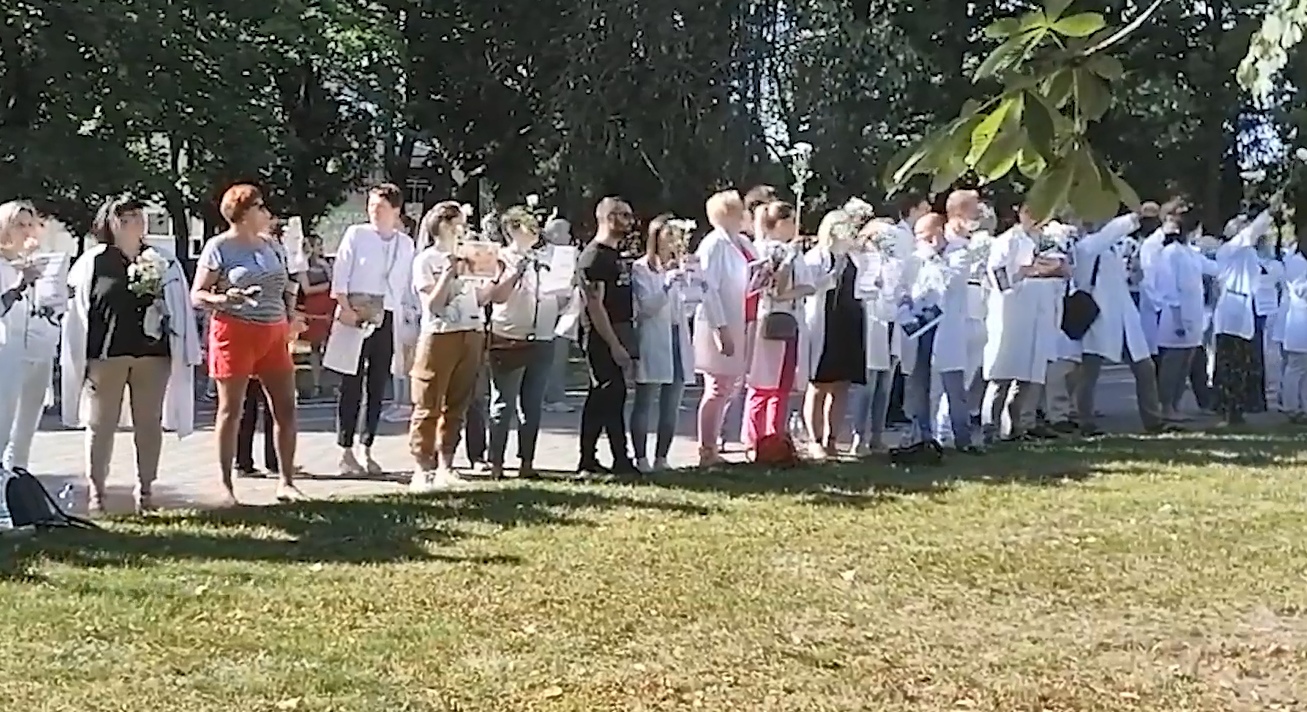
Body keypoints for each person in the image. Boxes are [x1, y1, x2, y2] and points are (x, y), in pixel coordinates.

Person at [63, 195, 201, 512]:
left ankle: (146, 488)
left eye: (140, 216)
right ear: (112, 223)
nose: (137, 222)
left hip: (152, 353)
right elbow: (78, 310)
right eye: (128, 217)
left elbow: (179, 305)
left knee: (149, 423)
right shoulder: (93, 262)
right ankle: (97, 490)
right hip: (107, 354)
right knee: (101, 423)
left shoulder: (162, 260)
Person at [191, 184, 303, 506]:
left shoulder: (272, 246)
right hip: (235, 332)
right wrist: (224, 299)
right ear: (242, 214)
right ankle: (226, 486)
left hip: (274, 333)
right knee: (231, 410)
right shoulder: (219, 247)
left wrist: (291, 317)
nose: (266, 212)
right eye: (259, 207)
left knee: (286, 408)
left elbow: (286, 285)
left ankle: (286, 482)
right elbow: (197, 294)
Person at [408, 201, 495, 491]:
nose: (463, 229)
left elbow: (480, 298)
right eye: (458, 223)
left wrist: (500, 275)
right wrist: (448, 273)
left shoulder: (469, 254)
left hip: (471, 331)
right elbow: (433, 304)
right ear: (443, 225)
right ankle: (422, 468)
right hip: (440, 334)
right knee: (428, 401)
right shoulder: (426, 260)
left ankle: (447, 465)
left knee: (458, 403)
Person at [330, 184, 416, 475]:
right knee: (350, 380)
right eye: (371, 207)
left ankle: (367, 446)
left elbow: (405, 285)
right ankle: (345, 449)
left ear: (396, 210)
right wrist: (345, 307)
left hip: (387, 314)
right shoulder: (357, 234)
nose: (373, 212)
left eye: (380, 207)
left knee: (378, 382)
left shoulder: (405, 244)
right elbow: (341, 273)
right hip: (356, 311)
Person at [1070, 211, 1171, 436]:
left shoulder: (1112, 247)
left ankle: (1153, 420)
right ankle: (1085, 422)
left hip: (1125, 317)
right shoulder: (1086, 247)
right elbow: (1109, 234)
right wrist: (1135, 216)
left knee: (1145, 368)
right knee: (1089, 373)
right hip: (1099, 316)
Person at [981, 202, 1068, 442]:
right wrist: (1022, 275)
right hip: (1011, 314)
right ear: (1022, 214)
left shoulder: (1048, 240)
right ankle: (990, 430)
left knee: (1028, 376)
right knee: (1002, 375)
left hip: (1039, 315)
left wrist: (1051, 270)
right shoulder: (1008, 240)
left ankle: (1015, 428)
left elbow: (1063, 267)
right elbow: (997, 272)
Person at [485, 206, 562, 479]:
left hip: (542, 335)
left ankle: (526, 462)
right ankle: (496, 463)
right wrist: (516, 272)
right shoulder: (500, 257)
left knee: (532, 404)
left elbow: (557, 294)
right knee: (503, 402)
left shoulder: (545, 257)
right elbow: (496, 296)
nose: (535, 231)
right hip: (509, 334)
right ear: (512, 229)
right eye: (527, 226)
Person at [692, 191, 754, 467]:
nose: (745, 215)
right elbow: (708, 289)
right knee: (717, 386)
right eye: (739, 209)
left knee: (729, 385)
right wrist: (720, 328)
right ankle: (707, 449)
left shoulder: (742, 242)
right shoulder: (714, 244)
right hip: (721, 322)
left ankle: (715, 442)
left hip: (742, 319)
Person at [577, 197, 639, 475]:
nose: (629, 221)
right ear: (608, 217)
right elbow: (595, 305)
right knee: (607, 395)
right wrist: (614, 344)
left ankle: (609, 459)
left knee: (610, 397)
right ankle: (600, 459)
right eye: (623, 215)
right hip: (601, 335)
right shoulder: (594, 257)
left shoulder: (615, 256)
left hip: (620, 330)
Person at [744, 202, 811, 452]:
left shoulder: (791, 250)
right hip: (769, 319)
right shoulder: (764, 249)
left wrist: (792, 291)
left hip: (789, 319)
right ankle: (755, 439)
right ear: (780, 223)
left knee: (782, 386)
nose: (795, 226)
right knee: (763, 383)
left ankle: (775, 437)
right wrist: (787, 262)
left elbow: (808, 285)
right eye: (791, 221)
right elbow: (775, 288)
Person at [631, 214, 695, 472]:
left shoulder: (679, 266)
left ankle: (662, 457)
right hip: (654, 337)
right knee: (645, 399)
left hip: (677, 336)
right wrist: (667, 285)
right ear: (656, 237)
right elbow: (646, 307)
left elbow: (687, 306)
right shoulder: (641, 268)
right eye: (669, 235)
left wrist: (692, 286)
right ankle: (640, 457)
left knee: (672, 403)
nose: (673, 241)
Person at [0, 201, 59, 473]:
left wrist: (58, 298)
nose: (25, 231)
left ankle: (17, 481)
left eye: (29, 225)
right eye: (18, 225)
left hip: (38, 349)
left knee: (26, 429)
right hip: (7, 352)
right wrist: (21, 283)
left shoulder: (39, 263)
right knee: (3, 422)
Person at [801, 210, 864, 458]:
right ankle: (814, 439)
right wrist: (830, 277)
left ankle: (832, 439)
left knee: (842, 386)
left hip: (848, 323)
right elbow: (807, 287)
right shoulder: (815, 257)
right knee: (819, 384)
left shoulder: (853, 258)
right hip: (825, 322)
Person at [1211, 206, 1276, 426]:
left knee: (1241, 363)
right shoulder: (1229, 250)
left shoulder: (1249, 254)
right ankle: (1226, 408)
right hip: (1231, 308)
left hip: (1245, 308)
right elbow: (1250, 233)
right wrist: (1268, 213)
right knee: (1229, 363)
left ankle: (1238, 407)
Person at [1154, 210, 1217, 421]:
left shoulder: (1191, 252)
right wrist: (1177, 319)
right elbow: (1169, 288)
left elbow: (1213, 268)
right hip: (1176, 317)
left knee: (1185, 365)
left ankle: (1176, 405)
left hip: (1193, 316)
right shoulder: (1170, 253)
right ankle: (1166, 406)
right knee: (1172, 364)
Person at [541, 216, 576, 413]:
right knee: (556, 355)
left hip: (560, 309)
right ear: (553, 235)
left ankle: (551, 395)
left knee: (556, 355)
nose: (569, 237)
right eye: (566, 232)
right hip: (555, 310)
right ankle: (553, 397)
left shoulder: (553, 255)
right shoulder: (556, 256)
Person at [295, 233, 334, 399]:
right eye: (318, 245)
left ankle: (331, 383)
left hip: (328, 305)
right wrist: (327, 285)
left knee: (331, 346)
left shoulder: (325, 263)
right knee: (315, 346)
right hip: (315, 306)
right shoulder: (303, 265)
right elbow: (307, 289)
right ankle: (317, 383)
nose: (321, 248)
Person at [1279, 237, 1307, 421]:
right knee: (1295, 367)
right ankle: (1290, 407)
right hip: (1300, 321)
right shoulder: (1296, 262)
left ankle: (1303, 406)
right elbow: (1300, 289)